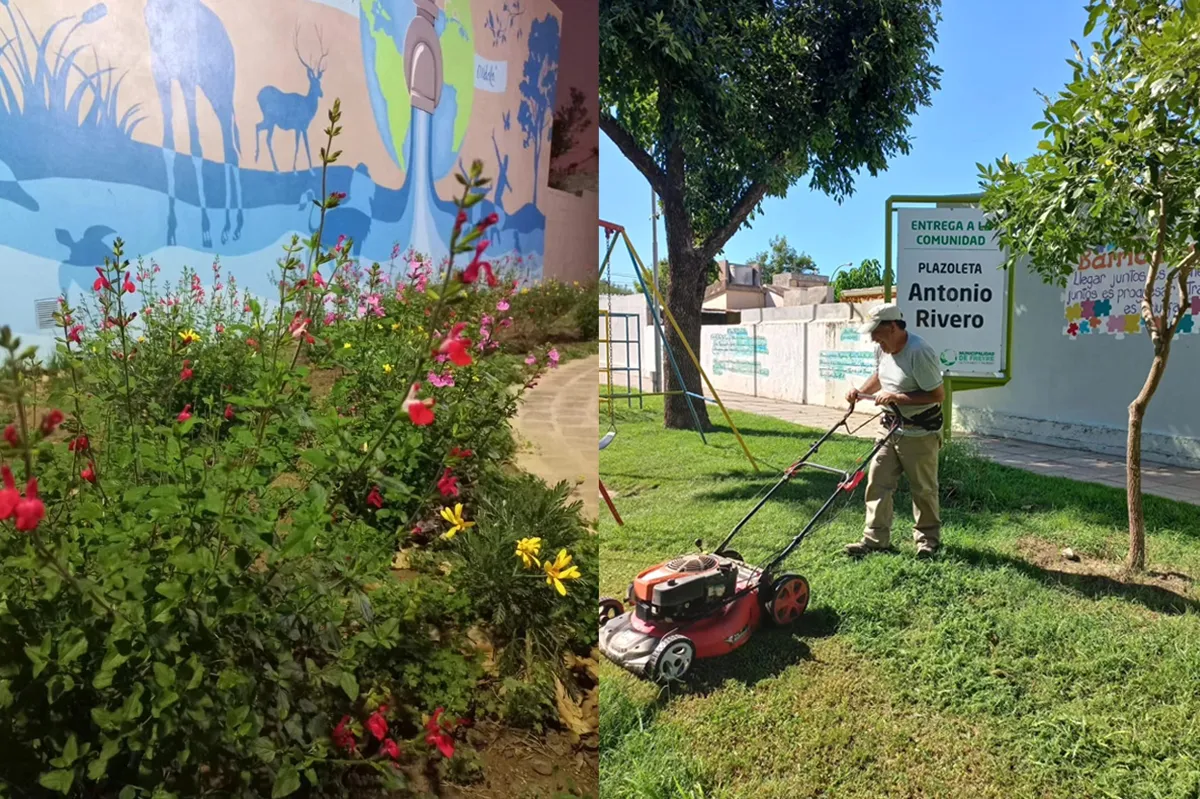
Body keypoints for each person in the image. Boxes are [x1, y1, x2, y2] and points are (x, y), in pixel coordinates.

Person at [843, 303, 945, 560]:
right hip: (889, 427)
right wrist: (861, 392)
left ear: (892, 327)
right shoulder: (883, 349)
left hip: (920, 431)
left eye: (876, 332)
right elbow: (879, 374)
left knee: (923, 488)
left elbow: (937, 395)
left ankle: (927, 541)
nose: (873, 338)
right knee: (878, 483)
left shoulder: (919, 352)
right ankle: (875, 539)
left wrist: (896, 397)